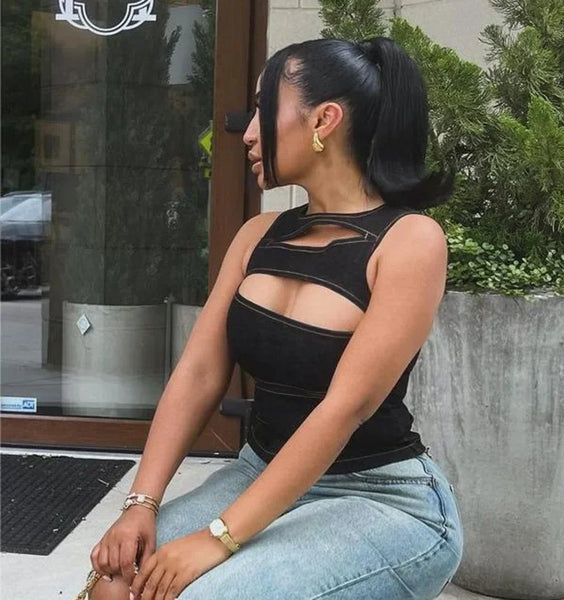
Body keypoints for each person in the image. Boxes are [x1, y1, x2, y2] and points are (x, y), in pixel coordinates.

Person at [87, 36, 463, 600]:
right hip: (258, 471)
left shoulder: (410, 241)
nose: (248, 132)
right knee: (117, 582)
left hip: (377, 495)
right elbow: (198, 374)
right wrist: (141, 504)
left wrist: (219, 537)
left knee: (202, 596)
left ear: (324, 120)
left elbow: (344, 408)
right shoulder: (257, 236)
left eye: (264, 107)